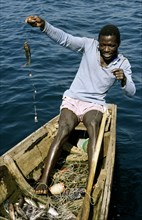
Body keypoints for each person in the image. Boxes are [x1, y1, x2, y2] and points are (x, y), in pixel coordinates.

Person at [25, 15, 136, 195]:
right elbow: (65, 39)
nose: (106, 49)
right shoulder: (88, 45)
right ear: (98, 42)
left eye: (111, 45)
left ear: (118, 44)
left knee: (93, 125)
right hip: (73, 99)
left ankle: (90, 182)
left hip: (95, 104)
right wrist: (44, 25)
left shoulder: (122, 63)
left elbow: (131, 92)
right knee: (63, 128)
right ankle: (44, 180)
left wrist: (123, 80)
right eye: (103, 44)